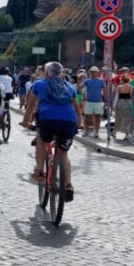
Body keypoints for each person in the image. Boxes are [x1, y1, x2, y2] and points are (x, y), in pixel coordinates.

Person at [30, 61, 80, 202]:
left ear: (46, 73)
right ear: (62, 73)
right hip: (69, 121)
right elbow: (77, 108)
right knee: (63, 153)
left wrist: (25, 121)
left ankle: (40, 171)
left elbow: (30, 105)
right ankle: (68, 185)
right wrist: (79, 123)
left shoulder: (39, 84)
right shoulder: (69, 86)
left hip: (48, 120)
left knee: (41, 140)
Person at [82, 66, 106, 138]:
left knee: (97, 116)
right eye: (91, 72)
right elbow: (81, 87)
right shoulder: (87, 81)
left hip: (98, 101)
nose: (92, 73)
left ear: (97, 72)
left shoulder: (101, 81)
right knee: (86, 116)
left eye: (93, 72)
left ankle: (96, 132)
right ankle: (86, 131)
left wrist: (105, 100)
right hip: (89, 101)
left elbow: (105, 90)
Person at [113, 74, 134, 141]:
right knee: (128, 119)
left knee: (118, 118)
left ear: (122, 79)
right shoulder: (131, 87)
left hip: (120, 103)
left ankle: (115, 132)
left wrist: (114, 105)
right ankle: (127, 134)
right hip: (128, 103)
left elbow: (117, 96)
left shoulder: (119, 87)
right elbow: (131, 97)